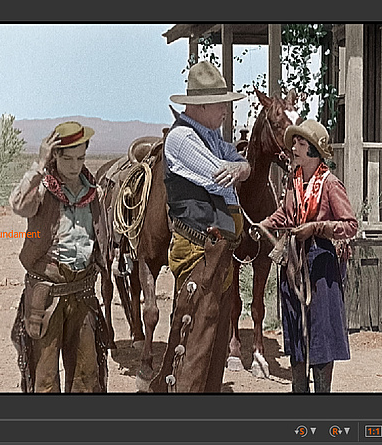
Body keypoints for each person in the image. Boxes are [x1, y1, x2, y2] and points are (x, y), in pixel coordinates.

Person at [149, 60, 251, 393]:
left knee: (213, 341)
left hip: (216, 253)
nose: (226, 110)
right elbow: (221, 179)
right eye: (222, 103)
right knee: (193, 345)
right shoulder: (181, 138)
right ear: (203, 105)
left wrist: (239, 168)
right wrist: (235, 169)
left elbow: (241, 166)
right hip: (199, 253)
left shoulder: (210, 136)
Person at [8, 121, 111, 393]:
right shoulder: (43, 189)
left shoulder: (93, 193)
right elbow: (18, 205)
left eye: (81, 158)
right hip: (47, 296)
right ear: (55, 156)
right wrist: (39, 164)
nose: (75, 166)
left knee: (87, 378)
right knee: (44, 379)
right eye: (68, 158)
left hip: (83, 293)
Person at [257, 119, 356, 392]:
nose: (294, 148)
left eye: (301, 144)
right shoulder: (294, 181)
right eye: (295, 143)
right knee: (296, 330)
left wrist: (316, 228)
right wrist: (267, 222)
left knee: (321, 332)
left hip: (321, 266)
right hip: (293, 262)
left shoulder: (331, 184)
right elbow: (287, 215)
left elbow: (350, 225)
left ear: (314, 150)